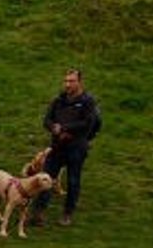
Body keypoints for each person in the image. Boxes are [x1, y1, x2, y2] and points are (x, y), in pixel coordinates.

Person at [31, 68, 102, 226]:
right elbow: (47, 120)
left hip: (76, 147)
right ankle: (38, 212)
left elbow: (88, 123)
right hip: (57, 146)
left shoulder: (87, 102)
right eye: (66, 81)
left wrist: (65, 128)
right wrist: (53, 127)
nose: (67, 84)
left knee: (73, 181)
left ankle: (67, 214)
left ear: (80, 82)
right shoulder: (59, 100)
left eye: (71, 81)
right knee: (46, 177)